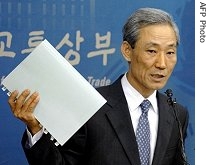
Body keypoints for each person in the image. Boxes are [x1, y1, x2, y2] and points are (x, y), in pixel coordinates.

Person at [8, 7, 189, 165]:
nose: (162, 63)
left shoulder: (176, 113)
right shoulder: (90, 106)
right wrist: (35, 129)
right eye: (152, 51)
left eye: (170, 52)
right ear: (127, 51)